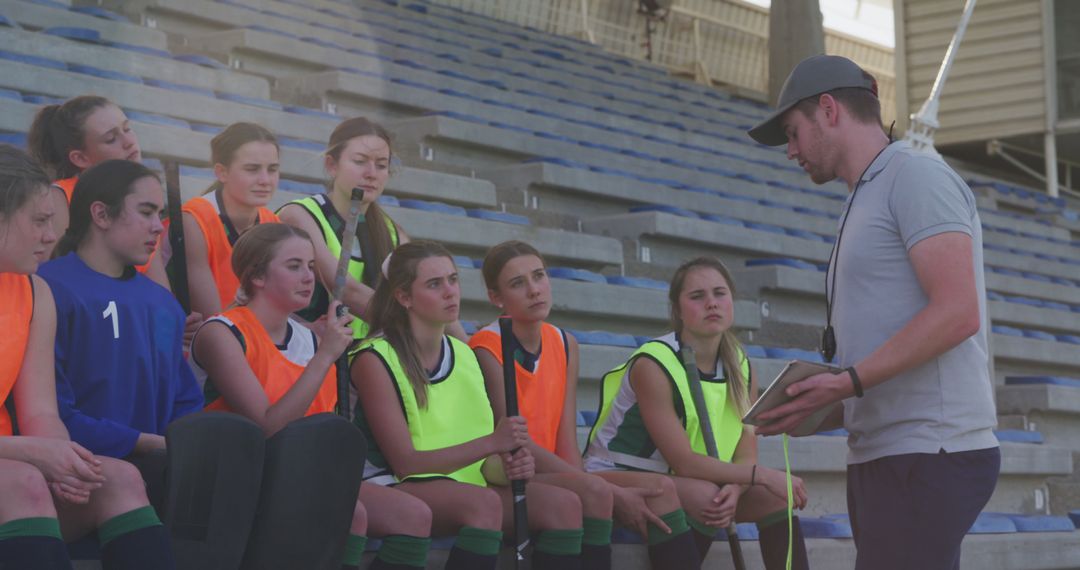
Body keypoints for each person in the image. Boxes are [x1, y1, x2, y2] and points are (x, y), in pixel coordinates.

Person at [747, 54, 1000, 570]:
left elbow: (957, 313)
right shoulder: (865, 195)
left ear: (828, 109)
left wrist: (847, 382)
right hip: (889, 453)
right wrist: (824, 407)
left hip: (929, 450)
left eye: (793, 133)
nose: (790, 151)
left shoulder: (914, 175)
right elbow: (889, 338)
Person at [191, 223, 430, 570]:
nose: (309, 277)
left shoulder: (312, 337)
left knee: (414, 516)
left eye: (310, 265)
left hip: (305, 471)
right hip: (240, 474)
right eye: (293, 266)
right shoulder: (222, 332)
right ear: (257, 276)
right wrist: (325, 357)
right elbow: (267, 427)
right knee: (351, 515)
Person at [351, 241, 585, 570]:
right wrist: (493, 442)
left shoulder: (465, 354)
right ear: (404, 297)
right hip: (391, 483)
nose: (450, 292)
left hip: (458, 483)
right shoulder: (375, 356)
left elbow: (482, 458)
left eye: (453, 280)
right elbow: (406, 463)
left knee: (564, 506)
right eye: (435, 284)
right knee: (483, 505)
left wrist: (507, 466)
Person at [469, 240, 701, 570]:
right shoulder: (487, 346)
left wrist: (584, 480)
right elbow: (514, 442)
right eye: (518, 284)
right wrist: (597, 488)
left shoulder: (565, 343)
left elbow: (565, 437)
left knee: (659, 489)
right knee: (595, 493)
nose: (534, 290)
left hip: (555, 471)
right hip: (511, 475)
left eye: (539, 276)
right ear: (496, 297)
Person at [0, 145, 174, 569]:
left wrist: (63, 464)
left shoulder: (34, 291)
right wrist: (32, 455)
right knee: (23, 482)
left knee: (118, 477)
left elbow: (41, 413)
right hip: (13, 468)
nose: (50, 235)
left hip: (13, 461)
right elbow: (29, 452)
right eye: (39, 221)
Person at [583, 257, 809, 569]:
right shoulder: (654, 363)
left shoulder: (742, 366)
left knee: (775, 498)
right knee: (709, 497)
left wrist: (737, 486)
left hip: (685, 479)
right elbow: (684, 461)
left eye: (719, 293)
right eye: (697, 296)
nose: (711, 304)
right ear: (677, 310)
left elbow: (746, 456)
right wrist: (762, 476)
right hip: (615, 473)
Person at [37, 159, 204, 460]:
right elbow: (46, 412)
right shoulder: (47, 288)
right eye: (146, 212)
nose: (157, 227)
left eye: (160, 214)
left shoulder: (164, 304)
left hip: (163, 472)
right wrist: (141, 442)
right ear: (101, 214)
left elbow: (185, 402)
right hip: (77, 470)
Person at [276, 117, 466, 340]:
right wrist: (421, 328)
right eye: (359, 161)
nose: (371, 173)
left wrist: (470, 353)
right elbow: (346, 290)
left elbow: (429, 296)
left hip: (368, 357)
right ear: (331, 165)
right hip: (311, 355)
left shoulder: (392, 232)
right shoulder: (299, 215)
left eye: (381, 165)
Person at [149, 122, 281, 318]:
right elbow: (212, 321)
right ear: (222, 172)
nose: (265, 180)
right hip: (199, 340)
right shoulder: (194, 220)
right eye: (252, 169)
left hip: (244, 335)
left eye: (272, 169)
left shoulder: (273, 224)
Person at [28, 96, 141, 259]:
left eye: (127, 128)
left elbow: (155, 281)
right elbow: (53, 272)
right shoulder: (59, 197)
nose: (129, 142)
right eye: (111, 139)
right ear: (80, 158)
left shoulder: (145, 194)